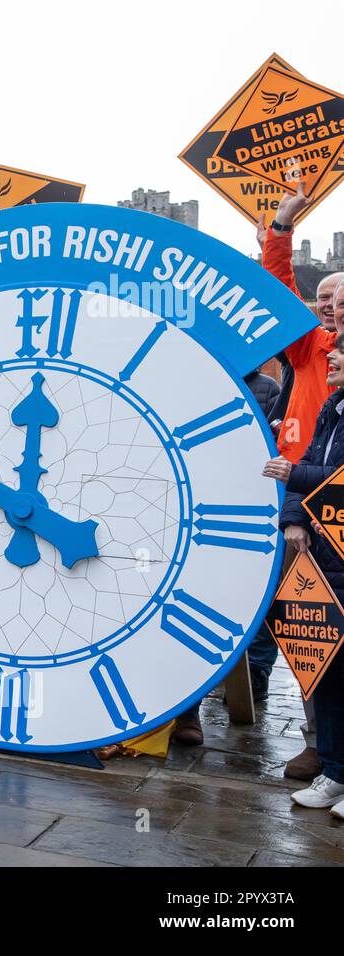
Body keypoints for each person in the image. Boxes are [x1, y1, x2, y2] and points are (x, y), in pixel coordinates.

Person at [240, 183, 340, 768]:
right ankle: (315, 743)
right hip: (298, 503)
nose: (330, 306)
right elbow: (275, 296)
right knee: (306, 620)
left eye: (341, 299)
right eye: (325, 298)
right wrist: (281, 226)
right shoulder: (311, 351)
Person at [265, 328, 344, 820]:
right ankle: (335, 773)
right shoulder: (331, 407)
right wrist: (294, 516)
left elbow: (322, 474)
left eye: (342, 351)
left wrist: (291, 476)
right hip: (327, 556)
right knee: (331, 673)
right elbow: (312, 460)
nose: (330, 354)